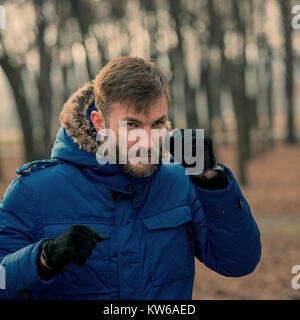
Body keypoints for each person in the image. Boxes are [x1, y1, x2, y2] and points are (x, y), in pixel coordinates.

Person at [0, 56, 261, 300]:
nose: (147, 143)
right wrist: (42, 259)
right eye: (132, 125)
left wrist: (212, 180)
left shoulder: (181, 183)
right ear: (99, 123)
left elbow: (239, 262)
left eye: (157, 124)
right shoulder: (33, 191)